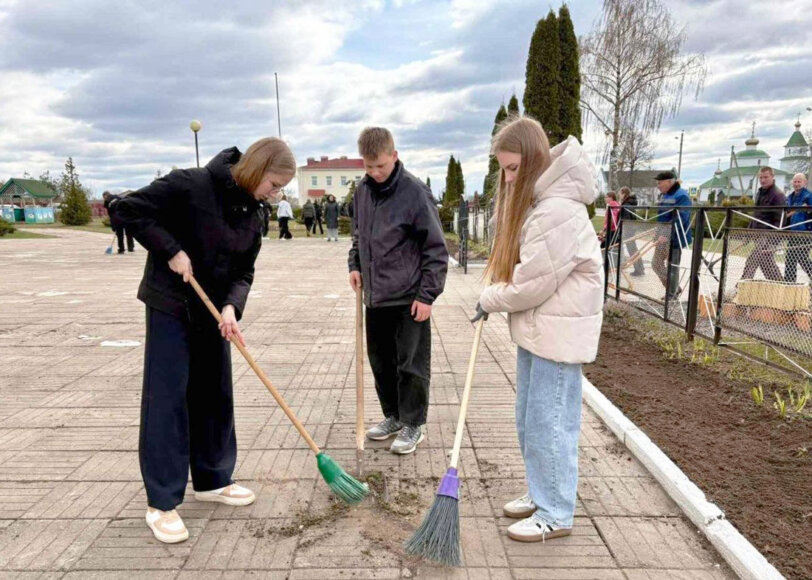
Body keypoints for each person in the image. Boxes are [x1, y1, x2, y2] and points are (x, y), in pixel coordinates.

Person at [115, 138, 296, 544]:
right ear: (256, 168)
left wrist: (232, 307)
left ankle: (213, 478)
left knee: (215, 393)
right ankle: (161, 502)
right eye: (274, 184)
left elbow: (244, 272)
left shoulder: (254, 212)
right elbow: (127, 209)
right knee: (168, 399)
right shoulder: (191, 184)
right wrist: (171, 250)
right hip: (171, 304)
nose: (275, 194)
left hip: (214, 312)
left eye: (280, 188)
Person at [472, 116, 603, 543]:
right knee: (532, 421)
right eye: (504, 170)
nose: (508, 179)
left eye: (513, 169)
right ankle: (542, 492)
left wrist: (489, 298)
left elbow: (531, 286)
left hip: (557, 338)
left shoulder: (556, 211)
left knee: (551, 426)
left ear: (532, 161)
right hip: (541, 331)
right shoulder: (543, 203)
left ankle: (555, 513)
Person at [348, 127, 448, 455]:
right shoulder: (362, 192)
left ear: (394, 155)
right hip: (375, 297)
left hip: (409, 297)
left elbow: (435, 248)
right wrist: (355, 265)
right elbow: (358, 236)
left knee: (411, 365)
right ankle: (393, 415)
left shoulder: (415, 192)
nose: (375, 173)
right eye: (369, 167)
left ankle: (413, 423)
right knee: (381, 362)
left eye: (381, 165)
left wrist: (427, 295)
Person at [652, 171, 692, 300]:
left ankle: (672, 294)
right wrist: (658, 233)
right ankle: (674, 288)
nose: (658, 185)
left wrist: (667, 234)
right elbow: (662, 217)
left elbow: (681, 218)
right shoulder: (665, 195)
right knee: (656, 264)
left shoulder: (682, 196)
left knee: (672, 266)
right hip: (662, 236)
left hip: (675, 238)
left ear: (670, 181)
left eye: (660, 183)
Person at [741, 166, 785, 281]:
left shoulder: (778, 195)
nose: (763, 180)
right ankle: (778, 284)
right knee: (766, 264)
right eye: (760, 177)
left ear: (772, 177)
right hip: (758, 233)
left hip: (768, 235)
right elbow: (756, 215)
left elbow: (780, 220)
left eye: (765, 177)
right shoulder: (759, 193)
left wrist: (773, 241)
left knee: (753, 260)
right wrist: (748, 234)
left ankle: (742, 285)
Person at [785, 173, 812, 283]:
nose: (796, 184)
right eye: (795, 181)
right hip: (792, 231)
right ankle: (789, 283)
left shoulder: (808, 196)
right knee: (790, 258)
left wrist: (807, 210)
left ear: (804, 182)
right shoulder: (790, 197)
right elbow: (786, 214)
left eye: (799, 181)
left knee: (802, 257)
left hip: (804, 232)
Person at [620, 186, 645, 276]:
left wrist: (625, 230)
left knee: (632, 250)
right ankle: (640, 268)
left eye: (620, 194)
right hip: (631, 229)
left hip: (628, 230)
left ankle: (638, 270)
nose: (619, 196)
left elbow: (626, 220)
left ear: (624, 194)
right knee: (634, 249)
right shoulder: (630, 203)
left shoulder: (626, 205)